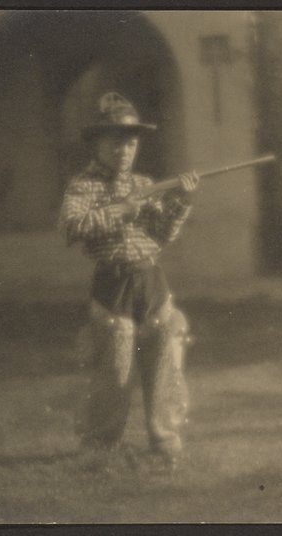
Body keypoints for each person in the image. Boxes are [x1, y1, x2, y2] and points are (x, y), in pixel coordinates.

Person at [59, 92, 199, 466]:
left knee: (165, 361)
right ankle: (100, 447)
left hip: (151, 281)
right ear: (97, 144)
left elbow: (161, 235)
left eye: (131, 143)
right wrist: (121, 210)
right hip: (112, 285)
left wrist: (182, 201)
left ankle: (165, 441)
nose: (124, 151)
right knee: (114, 371)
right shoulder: (83, 186)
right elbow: (71, 227)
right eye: (116, 142)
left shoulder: (144, 182)